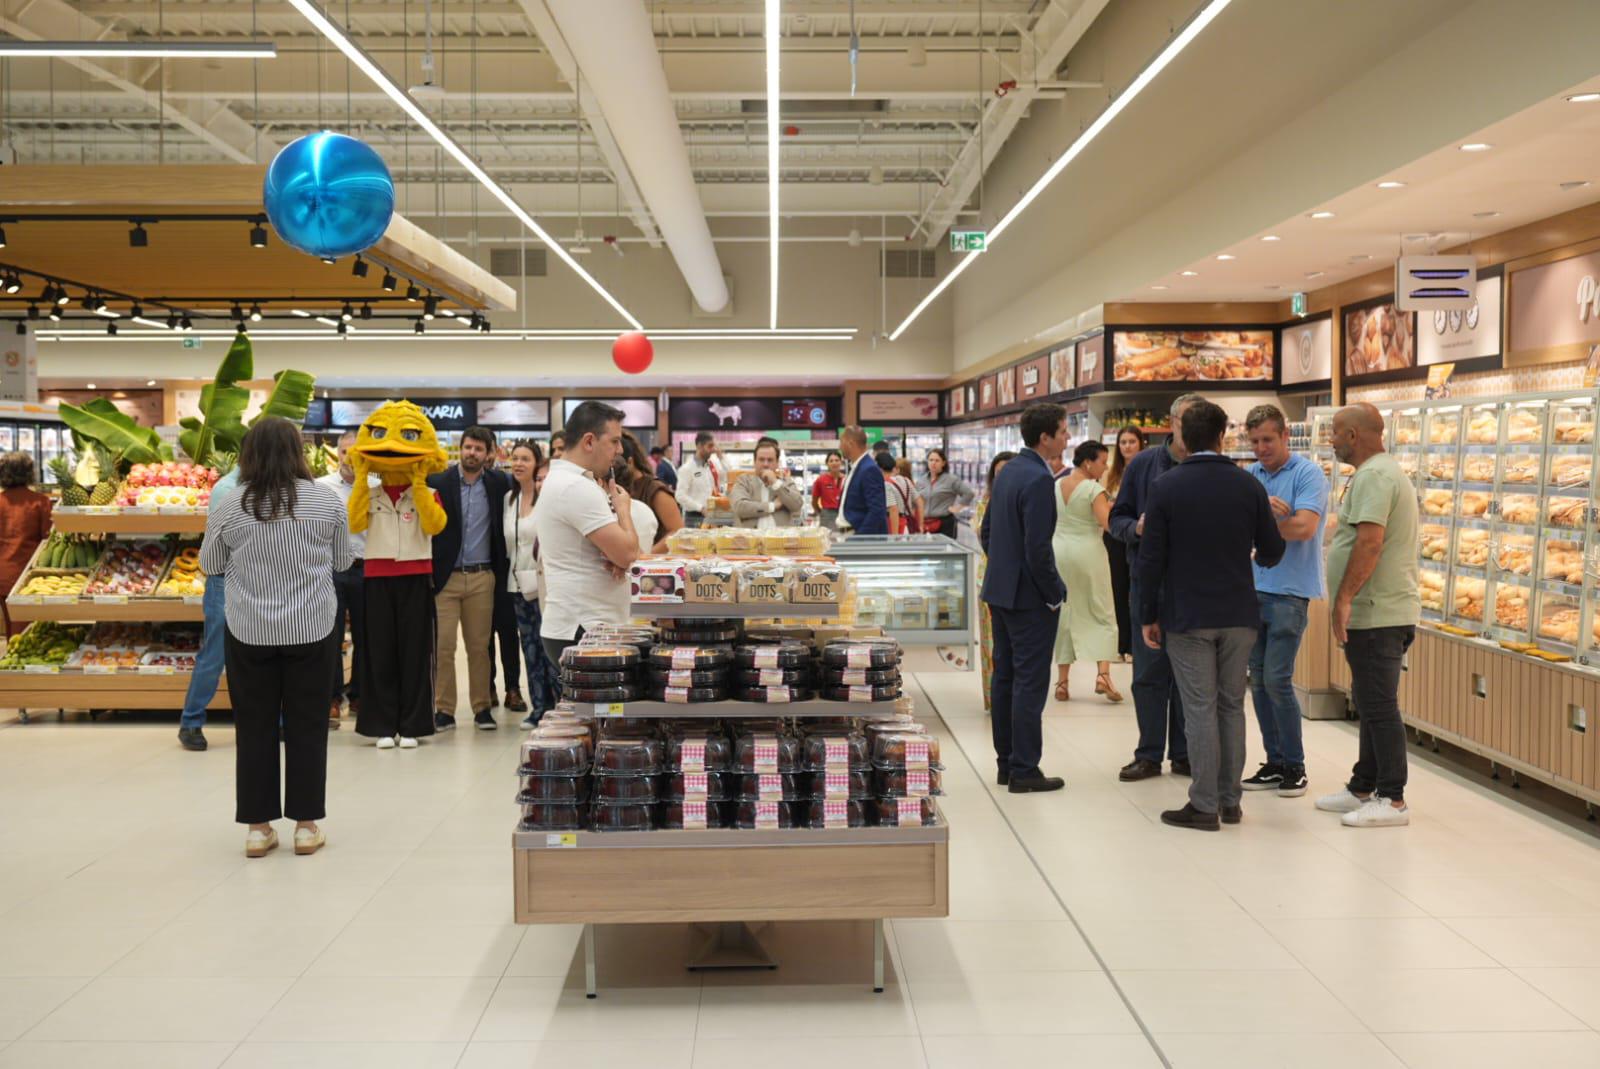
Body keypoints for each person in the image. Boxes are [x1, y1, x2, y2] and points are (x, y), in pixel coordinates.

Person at [199, 417, 352, 858]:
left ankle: (258, 827)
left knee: (254, 727)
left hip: (249, 630)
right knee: (307, 725)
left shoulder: (230, 504)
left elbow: (211, 563)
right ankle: (306, 826)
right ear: (297, 453)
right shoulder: (324, 501)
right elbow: (342, 561)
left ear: (249, 454)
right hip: (312, 628)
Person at [1137, 400, 1285, 831]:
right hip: (1240, 612)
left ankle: (1203, 805)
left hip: (1188, 614)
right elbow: (1273, 551)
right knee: (1231, 706)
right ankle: (1230, 801)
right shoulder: (1248, 485)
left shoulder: (1166, 486)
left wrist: (1148, 614)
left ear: (1184, 437)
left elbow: (1150, 560)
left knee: (1198, 707)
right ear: (1223, 437)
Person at [1316, 403, 1420, 828]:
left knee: (1378, 704)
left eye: (1336, 433)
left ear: (1355, 436)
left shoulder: (1376, 476)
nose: (1332, 440)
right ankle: (1364, 785)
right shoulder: (1376, 473)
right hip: (1375, 610)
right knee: (1369, 698)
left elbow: (1370, 544)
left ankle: (1392, 798)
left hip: (1377, 612)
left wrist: (1343, 599)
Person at [1110, 394, 1204, 782]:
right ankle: (1149, 753)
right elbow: (1117, 519)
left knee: (1189, 673)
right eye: (1186, 419)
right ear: (1172, 422)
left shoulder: (1208, 467)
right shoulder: (1145, 465)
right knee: (1148, 672)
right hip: (1147, 582)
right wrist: (1137, 529)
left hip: (1194, 586)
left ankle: (1183, 753)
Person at [980, 402, 1070, 794]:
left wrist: (1002, 565)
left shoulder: (1008, 472)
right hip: (1028, 599)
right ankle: (1025, 769)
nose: (1067, 438)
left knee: (1005, 677)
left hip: (1000, 591)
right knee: (1029, 683)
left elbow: (987, 531)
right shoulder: (1037, 479)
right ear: (1045, 437)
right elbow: (1038, 549)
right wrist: (1054, 593)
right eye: (1064, 431)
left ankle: (1006, 762)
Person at [348, 401, 449, 748]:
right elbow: (355, 522)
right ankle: (381, 725)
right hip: (376, 577)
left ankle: (413, 725)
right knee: (379, 652)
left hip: (417, 577)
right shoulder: (370, 490)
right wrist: (362, 476)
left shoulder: (430, 493)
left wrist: (419, 483)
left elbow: (436, 525)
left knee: (416, 652)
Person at [1242, 404, 1328, 799]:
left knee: (1277, 679)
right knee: (1257, 680)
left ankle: (1295, 765)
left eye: (1268, 440)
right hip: (1253, 588)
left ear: (1285, 437)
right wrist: (1266, 519)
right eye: (1255, 441)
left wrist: (1266, 521)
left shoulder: (1308, 474)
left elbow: (1305, 528)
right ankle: (1274, 761)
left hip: (1290, 592)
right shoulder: (1250, 476)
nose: (1261, 448)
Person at [533, 401, 640, 668]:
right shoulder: (575, 486)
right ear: (589, 441)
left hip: (584, 625)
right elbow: (628, 553)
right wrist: (624, 510)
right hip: (584, 627)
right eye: (614, 441)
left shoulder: (569, 482)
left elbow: (611, 552)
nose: (620, 450)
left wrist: (616, 556)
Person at [428, 426, 513, 732]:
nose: (471, 453)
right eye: (467, 447)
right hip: (446, 579)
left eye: (478, 448)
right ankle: (444, 709)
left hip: (482, 577)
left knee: (479, 647)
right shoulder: (438, 481)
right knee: (444, 646)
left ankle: (482, 708)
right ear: (460, 449)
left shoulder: (499, 483)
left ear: (489, 453)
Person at [176, 465, 242, 751]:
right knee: (215, 655)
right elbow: (216, 546)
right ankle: (191, 722)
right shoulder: (228, 489)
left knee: (261, 656)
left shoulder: (269, 484)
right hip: (225, 580)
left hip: (256, 581)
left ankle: (270, 722)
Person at [1052, 441, 1123, 704]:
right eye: (1103, 462)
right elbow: (1108, 524)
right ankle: (1103, 675)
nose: (1105, 467)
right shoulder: (1094, 489)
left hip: (1059, 552)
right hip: (1088, 553)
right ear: (1087, 462)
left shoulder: (1056, 485)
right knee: (1101, 609)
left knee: (1065, 612)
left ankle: (1061, 682)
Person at [315, 431, 375, 727]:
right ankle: (332, 698)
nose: (349, 459)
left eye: (356, 453)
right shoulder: (321, 487)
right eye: (343, 453)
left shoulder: (376, 485)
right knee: (332, 637)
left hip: (368, 568)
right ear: (336, 455)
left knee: (367, 637)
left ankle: (361, 695)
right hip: (332, 570)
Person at [503, 440, 560, 729]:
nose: (519, 464)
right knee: (529, 648)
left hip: (545, 586)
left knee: (549, 647)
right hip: (517, 586)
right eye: (515, 458)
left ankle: (559, 707)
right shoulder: (509, 500)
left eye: (525, 459)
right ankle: (539, 706)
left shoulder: (547, 501)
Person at [480, 430, 527, 717]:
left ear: (493, 452)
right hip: (478, 568)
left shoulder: (504, 483)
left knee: (508, 632)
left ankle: (513, 688)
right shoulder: (456, 482)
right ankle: (487, 687)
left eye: (484, 449)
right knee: (481, 634)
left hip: (504, 568)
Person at [976, 451, 1017, 712]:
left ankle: (1011, 698)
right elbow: (984, 533)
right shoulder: (987, 501)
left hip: (1010, 579)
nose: (1002, 476)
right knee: (992, 645)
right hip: (988, 577)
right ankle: (994, 698)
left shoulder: (1020, 498)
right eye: (998, 471)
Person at [1103, 425, 1145, 661]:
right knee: (1118, 590)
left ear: (1141, 443)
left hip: (1139, 535)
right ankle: (1122, 645)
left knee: (1137, 589)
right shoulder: (1111, 473)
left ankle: (1137, 644)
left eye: (1131, 441)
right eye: (1123, 442)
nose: (1127, 446)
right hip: (1114, 536)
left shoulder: (1147, 469)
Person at [0, 452, 50, 640]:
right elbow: (47, 539)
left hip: (3, 574)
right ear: (29, 472)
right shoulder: (39, 501)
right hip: (28, 575)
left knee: (10, 628)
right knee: (28, 634)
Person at [619, 431, 683, 548]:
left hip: (653, 563)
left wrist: (646, 556)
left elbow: (677, 531)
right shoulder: (612, 487)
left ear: (630, 462)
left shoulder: (655, 490)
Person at [731, 437, 804, 528]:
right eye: (761, 459)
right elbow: (740, 508)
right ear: (754, 462)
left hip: (780, 540)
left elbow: (797, 505)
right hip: (751, 540)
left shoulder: (786, 482)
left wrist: (775, 482)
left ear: (777, 463)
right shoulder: (744, 481)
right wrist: (772, 506)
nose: (765, 464)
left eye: (770, 460)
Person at [837, 426, 888, 535]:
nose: (839, 446)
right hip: (849, 535)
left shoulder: (868, 469)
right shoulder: (857, 467)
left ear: (851, 443)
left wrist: (859, 538)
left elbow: (876, 511)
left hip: (857, 537)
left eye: (841, 442)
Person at [918, 447, 974, 538]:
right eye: (931, 460)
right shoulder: (921, 480)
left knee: (944, 551)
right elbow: (918, 500)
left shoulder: (951, 480)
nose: (933, 463)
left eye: (937, 460)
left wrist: (957, 507)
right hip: (925, 523)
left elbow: (969, 493)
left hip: (945, 524)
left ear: (943, 463)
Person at [675, 431, 726, 528]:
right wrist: (701, 508)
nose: (713, 449)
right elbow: (680, 495)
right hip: (695, 517)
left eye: (714, 446)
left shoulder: (713, 464)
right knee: (696, 543)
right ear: (699, 446)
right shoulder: (687, 468)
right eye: (710, 446)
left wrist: (721, 457)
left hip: (714, 515)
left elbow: (727, 476)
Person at [812, 450, 845, 530]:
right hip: (827, 515)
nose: (834, 463)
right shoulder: (821, 480)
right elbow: (814, 501)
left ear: (841, 462)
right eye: (831, 461)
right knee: (827, 539)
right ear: (827, 464)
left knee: (843, 538)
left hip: (843, 514)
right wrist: (822, 513)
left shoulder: (846, 479)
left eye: (837, 460)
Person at [876, 452, 906, 533]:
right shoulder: (902, 480)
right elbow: (919, 501)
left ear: (880, 468)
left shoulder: (885, 484)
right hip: (902, 520)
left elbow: (893, 509)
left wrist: (894, 536)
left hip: (892, 522)